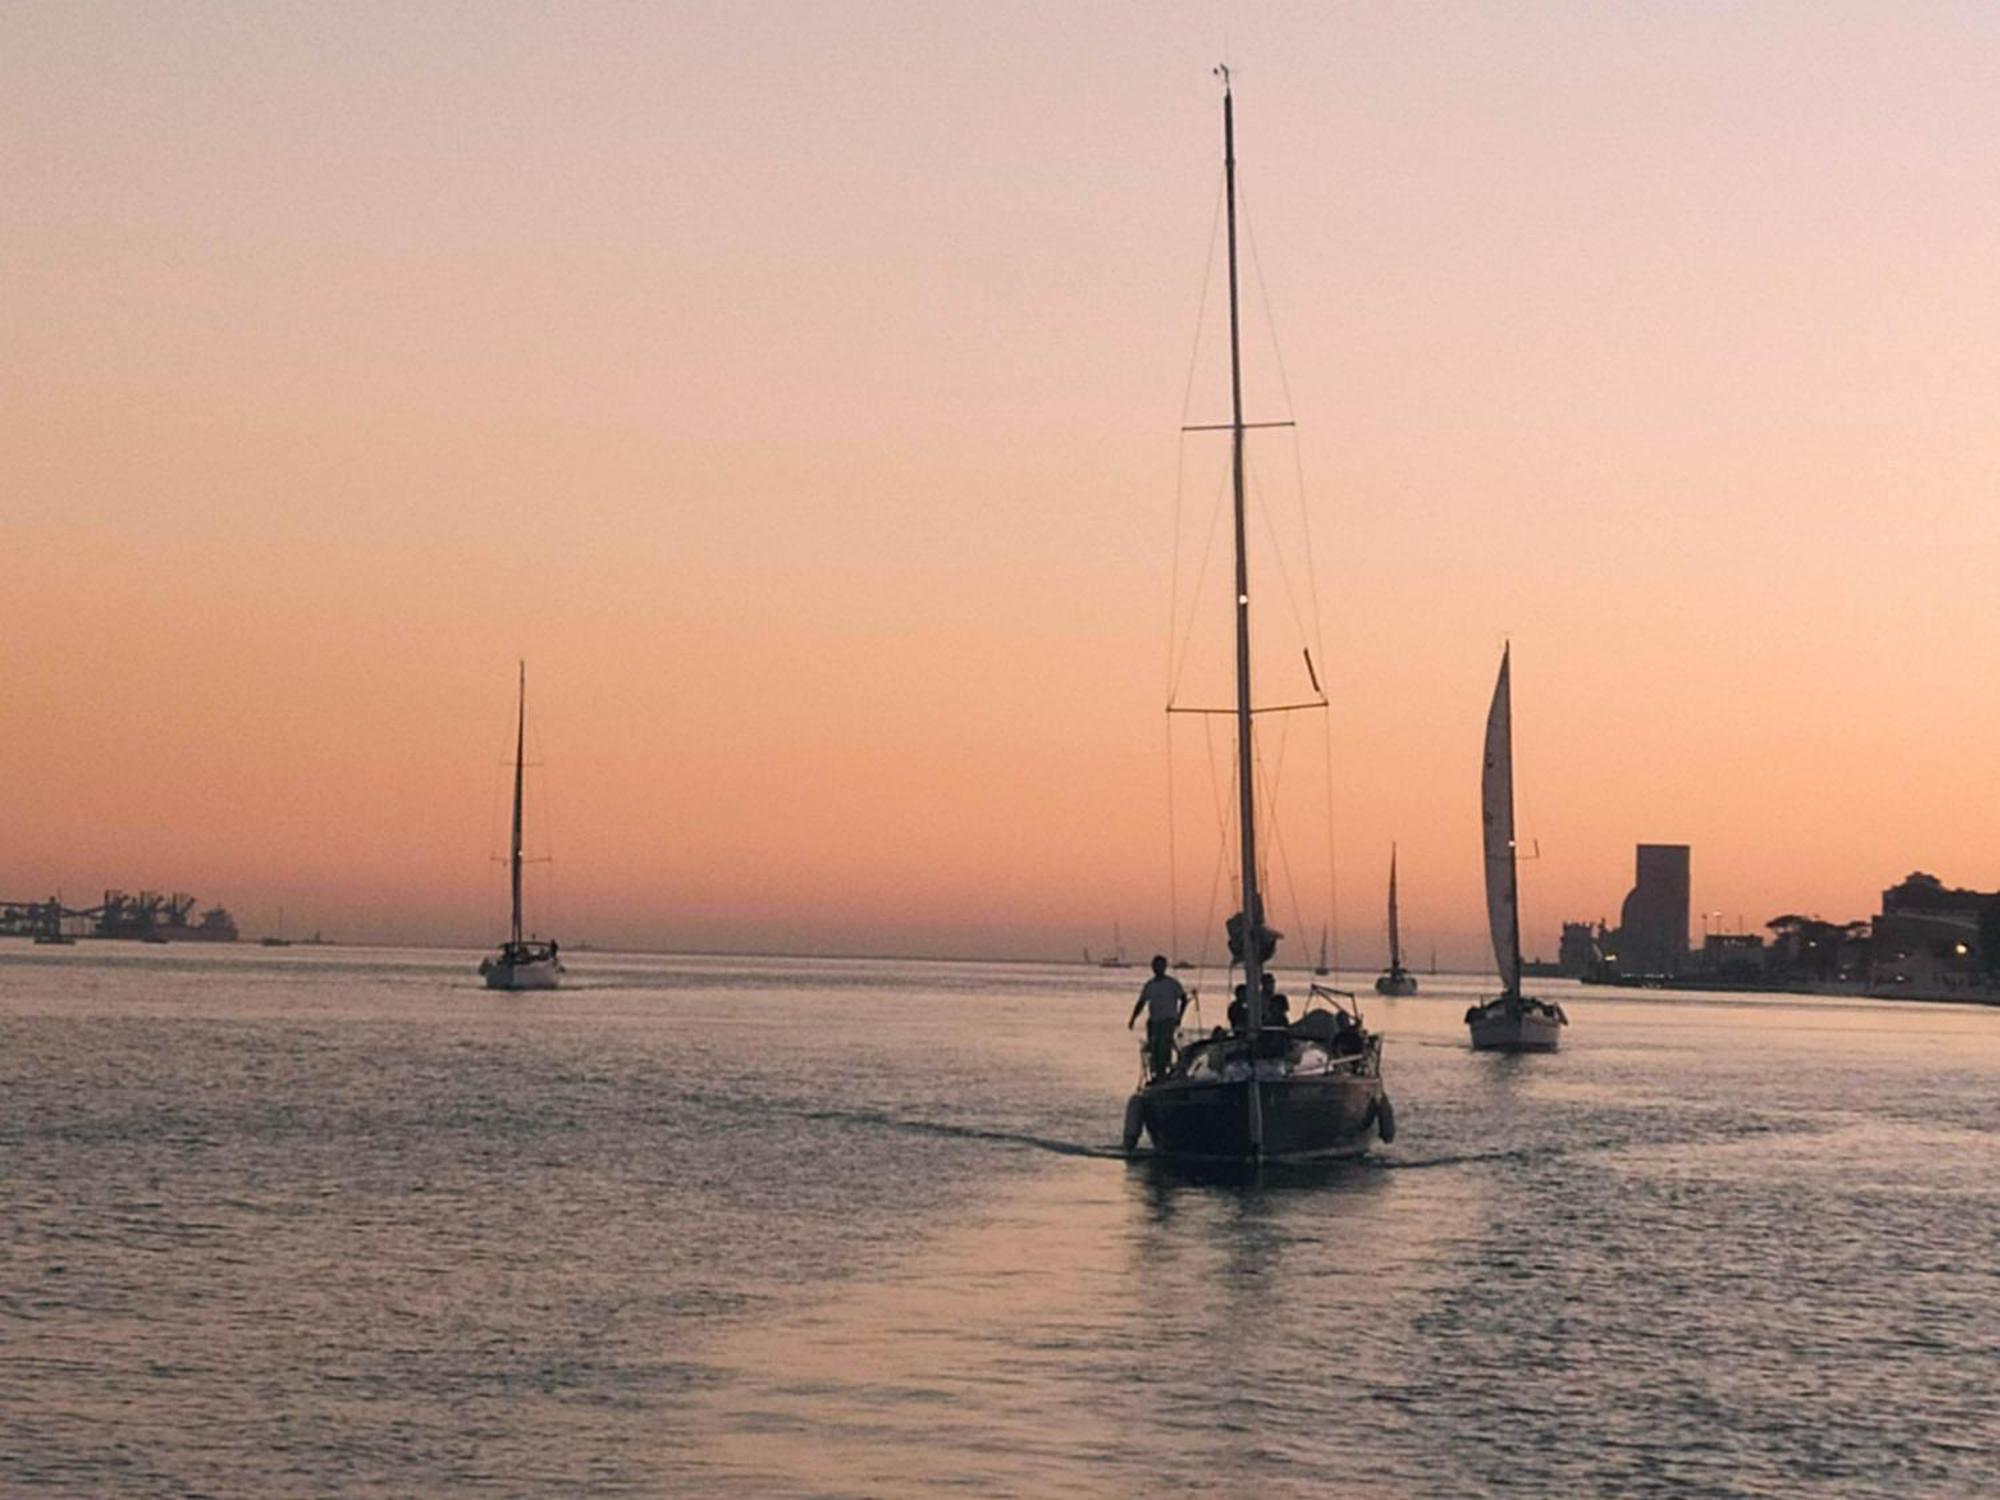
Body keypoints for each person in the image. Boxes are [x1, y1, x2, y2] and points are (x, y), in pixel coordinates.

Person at [1128, 955, 1188, 1080]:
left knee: (1165, 1045)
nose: (1158, 968)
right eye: (1156, 966)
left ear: (1165, 967)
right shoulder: (1150, 985)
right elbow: (1141, 1003)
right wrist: (1133, 1019)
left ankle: (1166, 1070)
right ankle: (1156, 1072)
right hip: (1154, 1021)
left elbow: (1183, 999)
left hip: (1168, 1020)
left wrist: (1179, 1017)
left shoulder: (1172, 984)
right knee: (1153, 1047)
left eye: (1161, 966)